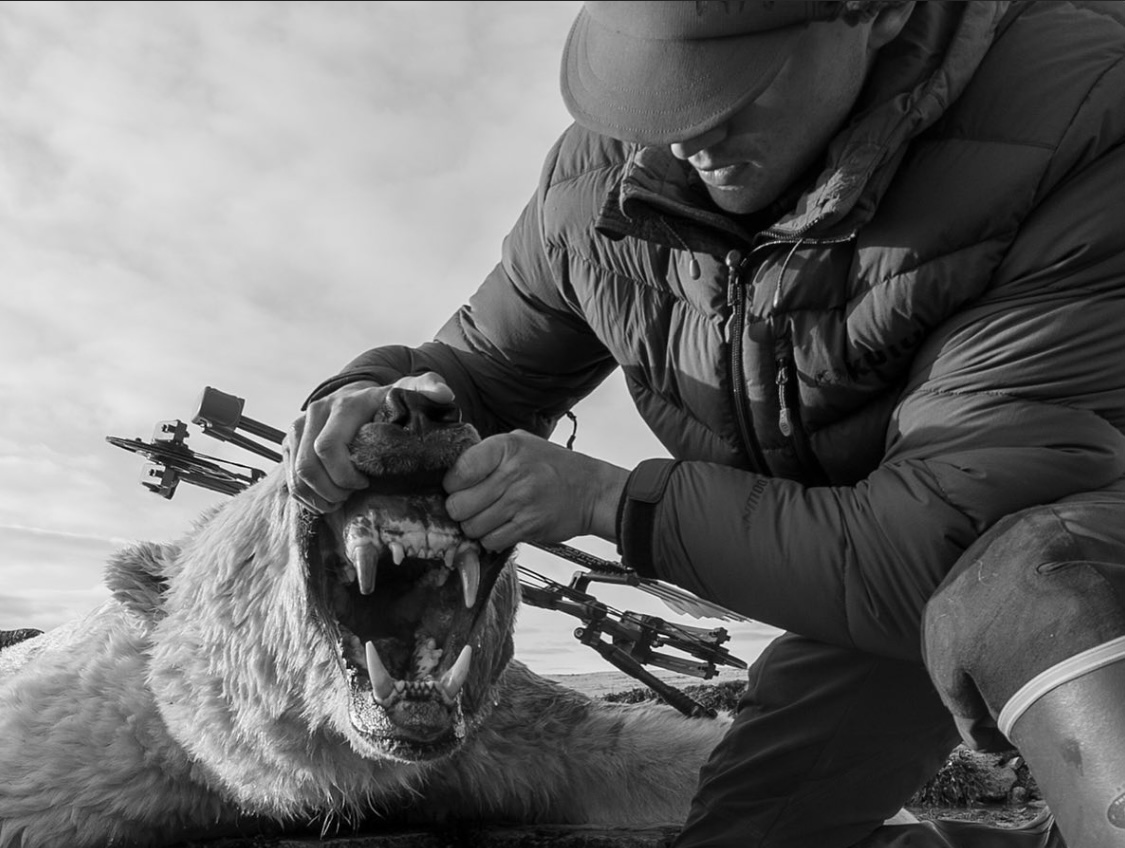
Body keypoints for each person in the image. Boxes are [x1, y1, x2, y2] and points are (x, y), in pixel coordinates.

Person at [286, 2, 1125, 846]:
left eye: (729, 86)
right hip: (875, 554)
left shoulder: (1079, 117)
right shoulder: (599, 181)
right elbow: (476, 371)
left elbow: (951, 534)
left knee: (1043, 584)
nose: (683, 136)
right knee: (752, 834)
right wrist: (366, 400)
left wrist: (609, 502)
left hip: (1044, 546)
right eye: (652, 94)